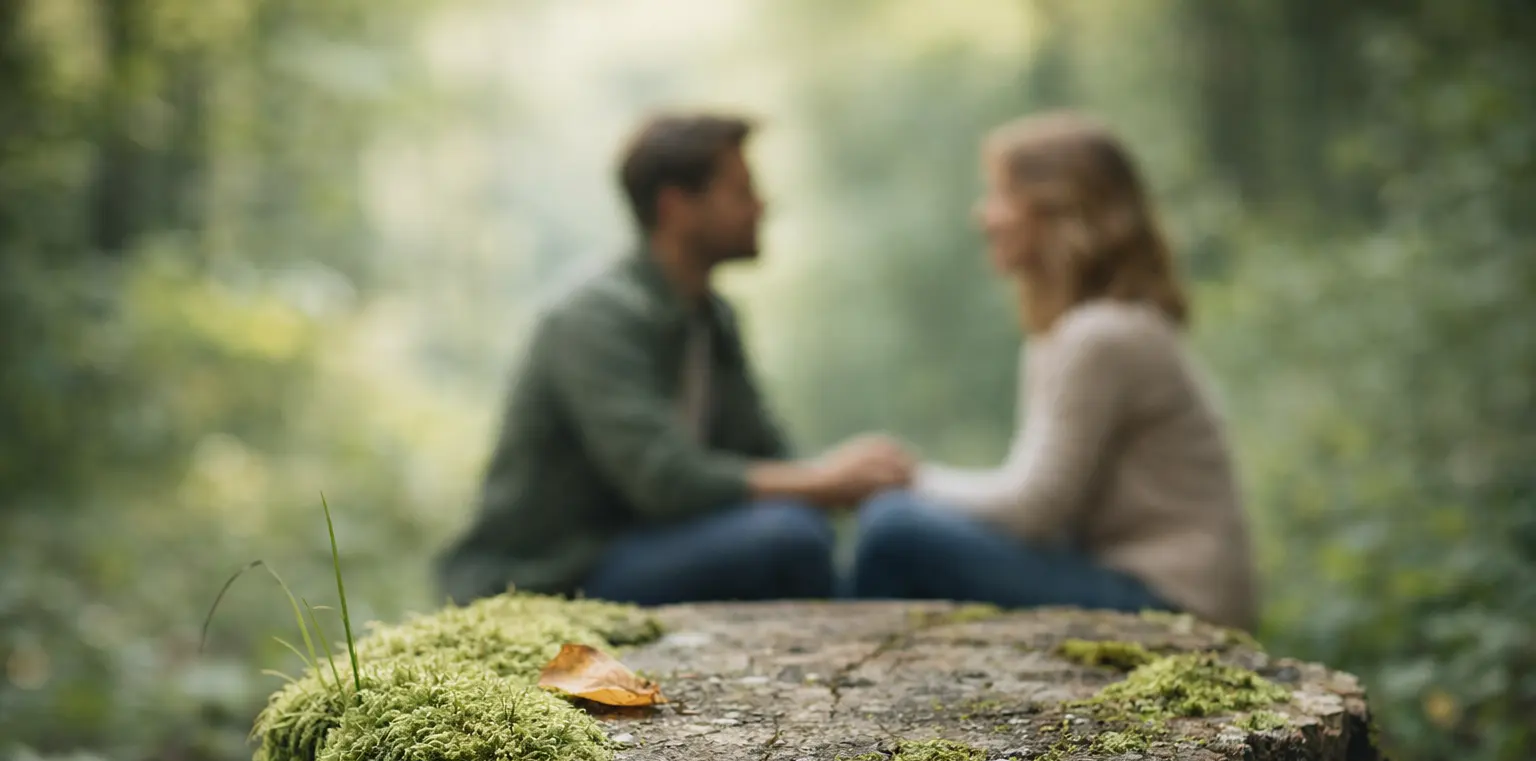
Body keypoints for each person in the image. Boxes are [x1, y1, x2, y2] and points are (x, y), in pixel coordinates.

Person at [437, 113, 913, 607]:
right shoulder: (594, 317)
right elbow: (662, 479)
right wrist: (822, 481)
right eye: (741, 190)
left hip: (651, 545)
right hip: (558, 569)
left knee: (834, 530)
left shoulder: (710, 318)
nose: (761, 206)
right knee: (787, 538)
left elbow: (765, 453)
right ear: (676, 206)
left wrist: (854, 477)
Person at [850, 111, 1258, 630]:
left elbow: (1034, 508)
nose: (984, 215)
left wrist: (905, 480)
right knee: (897, 524)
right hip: (1132, 584)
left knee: (895, 530)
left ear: (1057, 209)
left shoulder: (1101, 335)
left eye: (1000, 195)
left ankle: (847, 690)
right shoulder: (1079, 332)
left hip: (1173, 604)